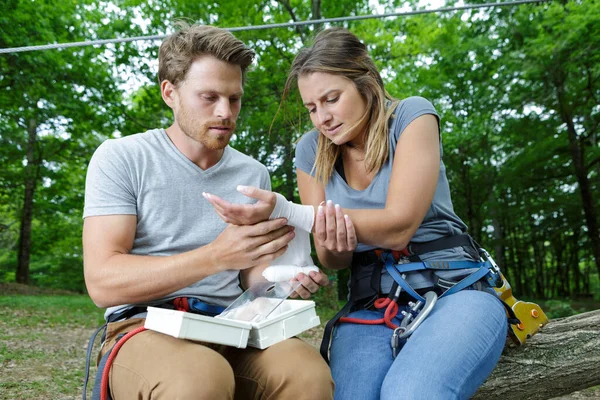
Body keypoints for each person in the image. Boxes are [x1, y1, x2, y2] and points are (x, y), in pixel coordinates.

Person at [205, 27, 509, 400]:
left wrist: (291, 211)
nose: (322, 118)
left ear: (364, 81)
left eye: (332, 99)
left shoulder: (412, 117)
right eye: (311, 108)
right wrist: (314, 247)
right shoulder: (310, 150)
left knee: (410, 392)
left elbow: (399, 226)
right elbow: (333, 257)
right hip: (370, 303)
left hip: (454, 289)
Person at [82, 23, 333, 400]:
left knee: (307, 373)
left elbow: (251, 276)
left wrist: (285, 279)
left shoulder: (252, 174)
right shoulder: (122, 158)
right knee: (199, 376)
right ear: (170, 92)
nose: (225, 112)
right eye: (209, 96)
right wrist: (214, 257)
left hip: (233, 327)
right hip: (144, 327)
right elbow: (102, 282)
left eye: (234, 99)